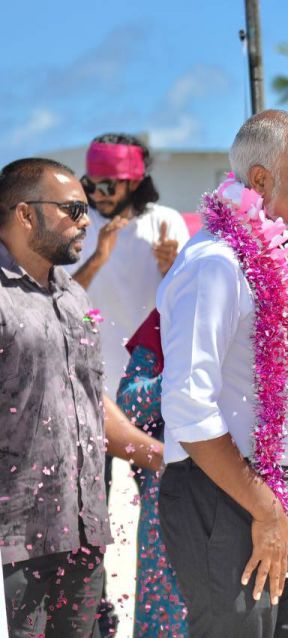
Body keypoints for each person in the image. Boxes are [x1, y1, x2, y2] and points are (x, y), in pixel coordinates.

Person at [157, 110, 288, 637]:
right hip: (226, 493)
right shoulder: (215, 264)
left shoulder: (284, 261)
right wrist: (263, 509)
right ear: (259, 180)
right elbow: (188, 405)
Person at [0, 158, 166, 636]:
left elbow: (89, 405)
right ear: (26, 214)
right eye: (73, 209)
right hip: (15, 545)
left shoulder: (72, 295)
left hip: (84, 535)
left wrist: (164, 458)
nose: (86, 220)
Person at [71, 133, 189, 395]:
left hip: (148, 380)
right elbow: (60, 298)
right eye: (90, 186)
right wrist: (99, 257)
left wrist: (171, 269)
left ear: (134, 182)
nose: (97, 195)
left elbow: (188, 308)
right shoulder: (77, 224)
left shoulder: (166, 221)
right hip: (88, 376)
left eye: (108, 187)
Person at [116, 310, 189, 637]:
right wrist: (186, 371)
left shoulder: (261, 312)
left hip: (246, 502)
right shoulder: (169, 317)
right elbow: (128, 405)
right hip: (169, 501)